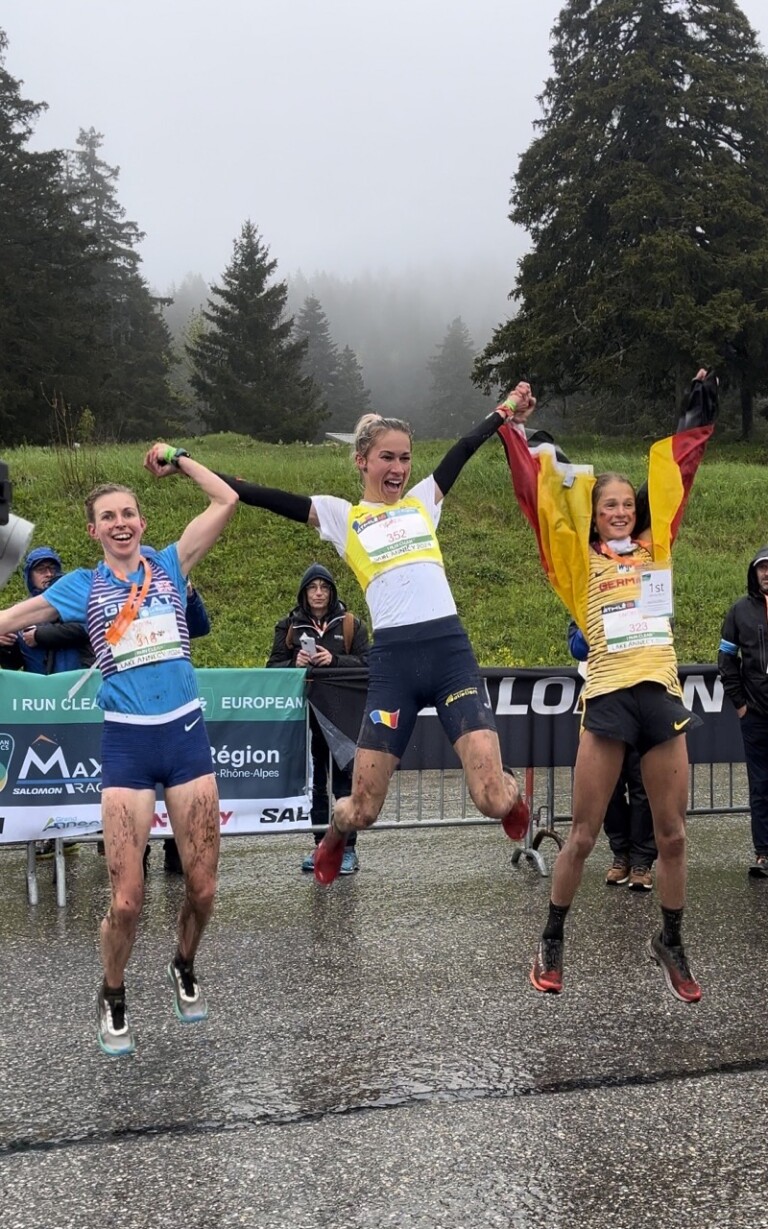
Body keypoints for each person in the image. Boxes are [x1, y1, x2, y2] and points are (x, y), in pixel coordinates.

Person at [217, 391, 534, 884]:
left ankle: (512, 793)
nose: (399, 468)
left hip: (449, 657)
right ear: (362, 461)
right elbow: (258, 493)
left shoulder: (422, 502)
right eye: (387, 457)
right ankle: (333, 836)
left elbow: (465, 446)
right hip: (394, 670)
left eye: (405, 458)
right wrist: (182, 461)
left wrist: (507, 409)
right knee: (361, 809)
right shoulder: (342, 516)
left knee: (493, 798)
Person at [0, 444, 238, 1056]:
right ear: (94, 531)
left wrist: (179, 460)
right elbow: (8, 618)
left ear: (142, 520)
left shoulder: (171, 564)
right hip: (128, 745)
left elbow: (226, 499)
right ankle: (112, 992)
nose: (120, 523)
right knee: (127, 900)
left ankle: (183, 963)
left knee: (204, 889)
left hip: (185, 738)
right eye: (108, 517)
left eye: (128, 513)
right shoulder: (81, 586)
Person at [500, 370, 718, 1003]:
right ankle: (551, 939)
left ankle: (670, 942)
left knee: (673, 835)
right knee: (584, 835)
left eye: (626, 504)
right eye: (608, 506)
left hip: (661, 694)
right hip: (607, 698)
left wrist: (697, 407)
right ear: (594, 516)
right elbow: (545, 497)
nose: (620, 512)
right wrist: (519, 431)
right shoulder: (579, 560)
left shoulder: (656, 548)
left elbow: (678, 475)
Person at [266, 562, 370, 875]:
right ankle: (322, 846)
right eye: (312, 587)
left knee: (344, 784)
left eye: (324, 587)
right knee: (317, 787)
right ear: (304, 593)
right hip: (307, 719)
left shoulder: (351, 624)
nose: (319, 593)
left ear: (332, 592)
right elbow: (272, 668)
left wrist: (334, 660)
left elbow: (368, 664)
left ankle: (348, 849)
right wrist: (294, 663)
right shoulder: (289, 626)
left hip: (343, 718)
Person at [0, 546, 95, 859]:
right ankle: (52, 834)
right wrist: (5, 643)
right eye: (41, 569)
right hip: (41, 707)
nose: (48, 574)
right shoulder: (21, 614)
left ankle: (101, 829)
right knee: (48, 776)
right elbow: (12, 663)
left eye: (52, 568)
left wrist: (40, 635)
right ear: (29, 576)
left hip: (81, 703)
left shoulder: (73, 603)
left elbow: (86, 629)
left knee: (88, 768)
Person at [568, 620, 656, 890]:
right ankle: (621, 854)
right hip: (604, 701)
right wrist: (596, 625)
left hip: (642, 697)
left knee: (642, 784)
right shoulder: (588, 603)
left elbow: (665, 632)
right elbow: (577, 648)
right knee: (610, 789)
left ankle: (642, 861)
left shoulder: (647, 597)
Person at [718, 547, 768, 878]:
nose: (767, 573)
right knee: (761, 786)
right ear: (754, 573)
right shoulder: (739, 611)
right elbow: (726, 660)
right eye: (762, 568)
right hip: (757, 716)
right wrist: (740, 704)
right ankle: (763, 853)